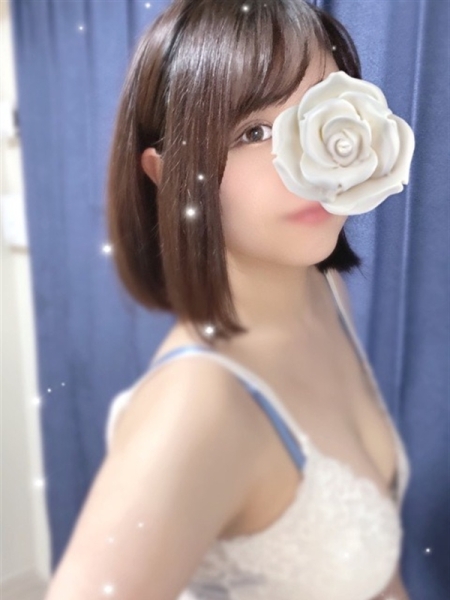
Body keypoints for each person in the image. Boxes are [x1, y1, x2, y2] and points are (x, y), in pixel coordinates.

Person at [44, 1, 412, 598]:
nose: (307, 163)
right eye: (254, 132)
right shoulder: (196, 408)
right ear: (165, 172)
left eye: (317, 107)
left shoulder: (325, 294)